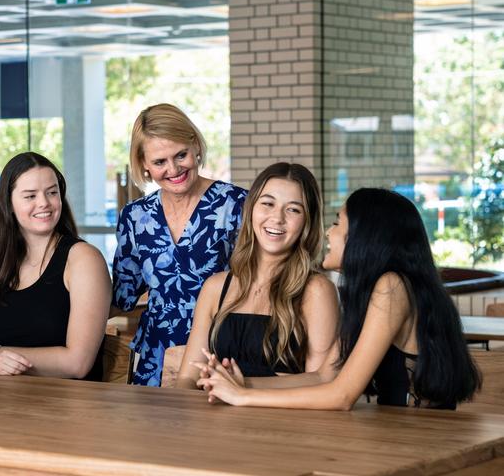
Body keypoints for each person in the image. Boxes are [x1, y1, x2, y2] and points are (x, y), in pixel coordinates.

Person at [196, 188, 481, 409]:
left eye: (337, 223)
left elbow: (342, 395)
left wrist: (242, 397)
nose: (329, 233)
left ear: (365, 236)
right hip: (393, 435)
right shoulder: (372, 292)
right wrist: (241, 383)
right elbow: (323, 376)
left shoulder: (392, 287)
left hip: (419, 444)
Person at [112, 103, 247, 386]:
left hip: (219, 357)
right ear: (144, 166)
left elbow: (256, 287)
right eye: (160, 162)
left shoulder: (236, 204)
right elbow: (122, 295)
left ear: (195, 145)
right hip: (154, 358)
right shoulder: (135, 217)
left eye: (181, 155)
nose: (173, 169)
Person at [176, 163, 338, 389]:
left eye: (293, 209)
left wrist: (243, 386)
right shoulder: (215, 287)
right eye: (267, 204)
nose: (277, 218)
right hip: (214, 418)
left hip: (286, 420)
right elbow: (188, 378)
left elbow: (323, 379)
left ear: (307, 223)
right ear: (251, 209)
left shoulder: (317, 290)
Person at [0, 152, 110, 379]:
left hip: (68, 407)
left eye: (52, 192)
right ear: (8, 204)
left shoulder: (83, 260)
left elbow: (77, 364)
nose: (44, 203)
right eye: (30, 196)